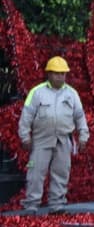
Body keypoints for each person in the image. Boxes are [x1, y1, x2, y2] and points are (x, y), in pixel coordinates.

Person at [17, 56, 89, 214]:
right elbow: (26, 116)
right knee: (35, 174)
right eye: (56, 73)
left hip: (63, 139)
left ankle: (57, 206)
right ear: (48, 74)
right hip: (41, 140)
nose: (60, 76)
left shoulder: (72, 94)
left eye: (63, 73)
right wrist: (25, 136)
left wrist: (83, 137)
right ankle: (31, 206)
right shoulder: (36, 93)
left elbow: (80, 116)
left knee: (61, 173)